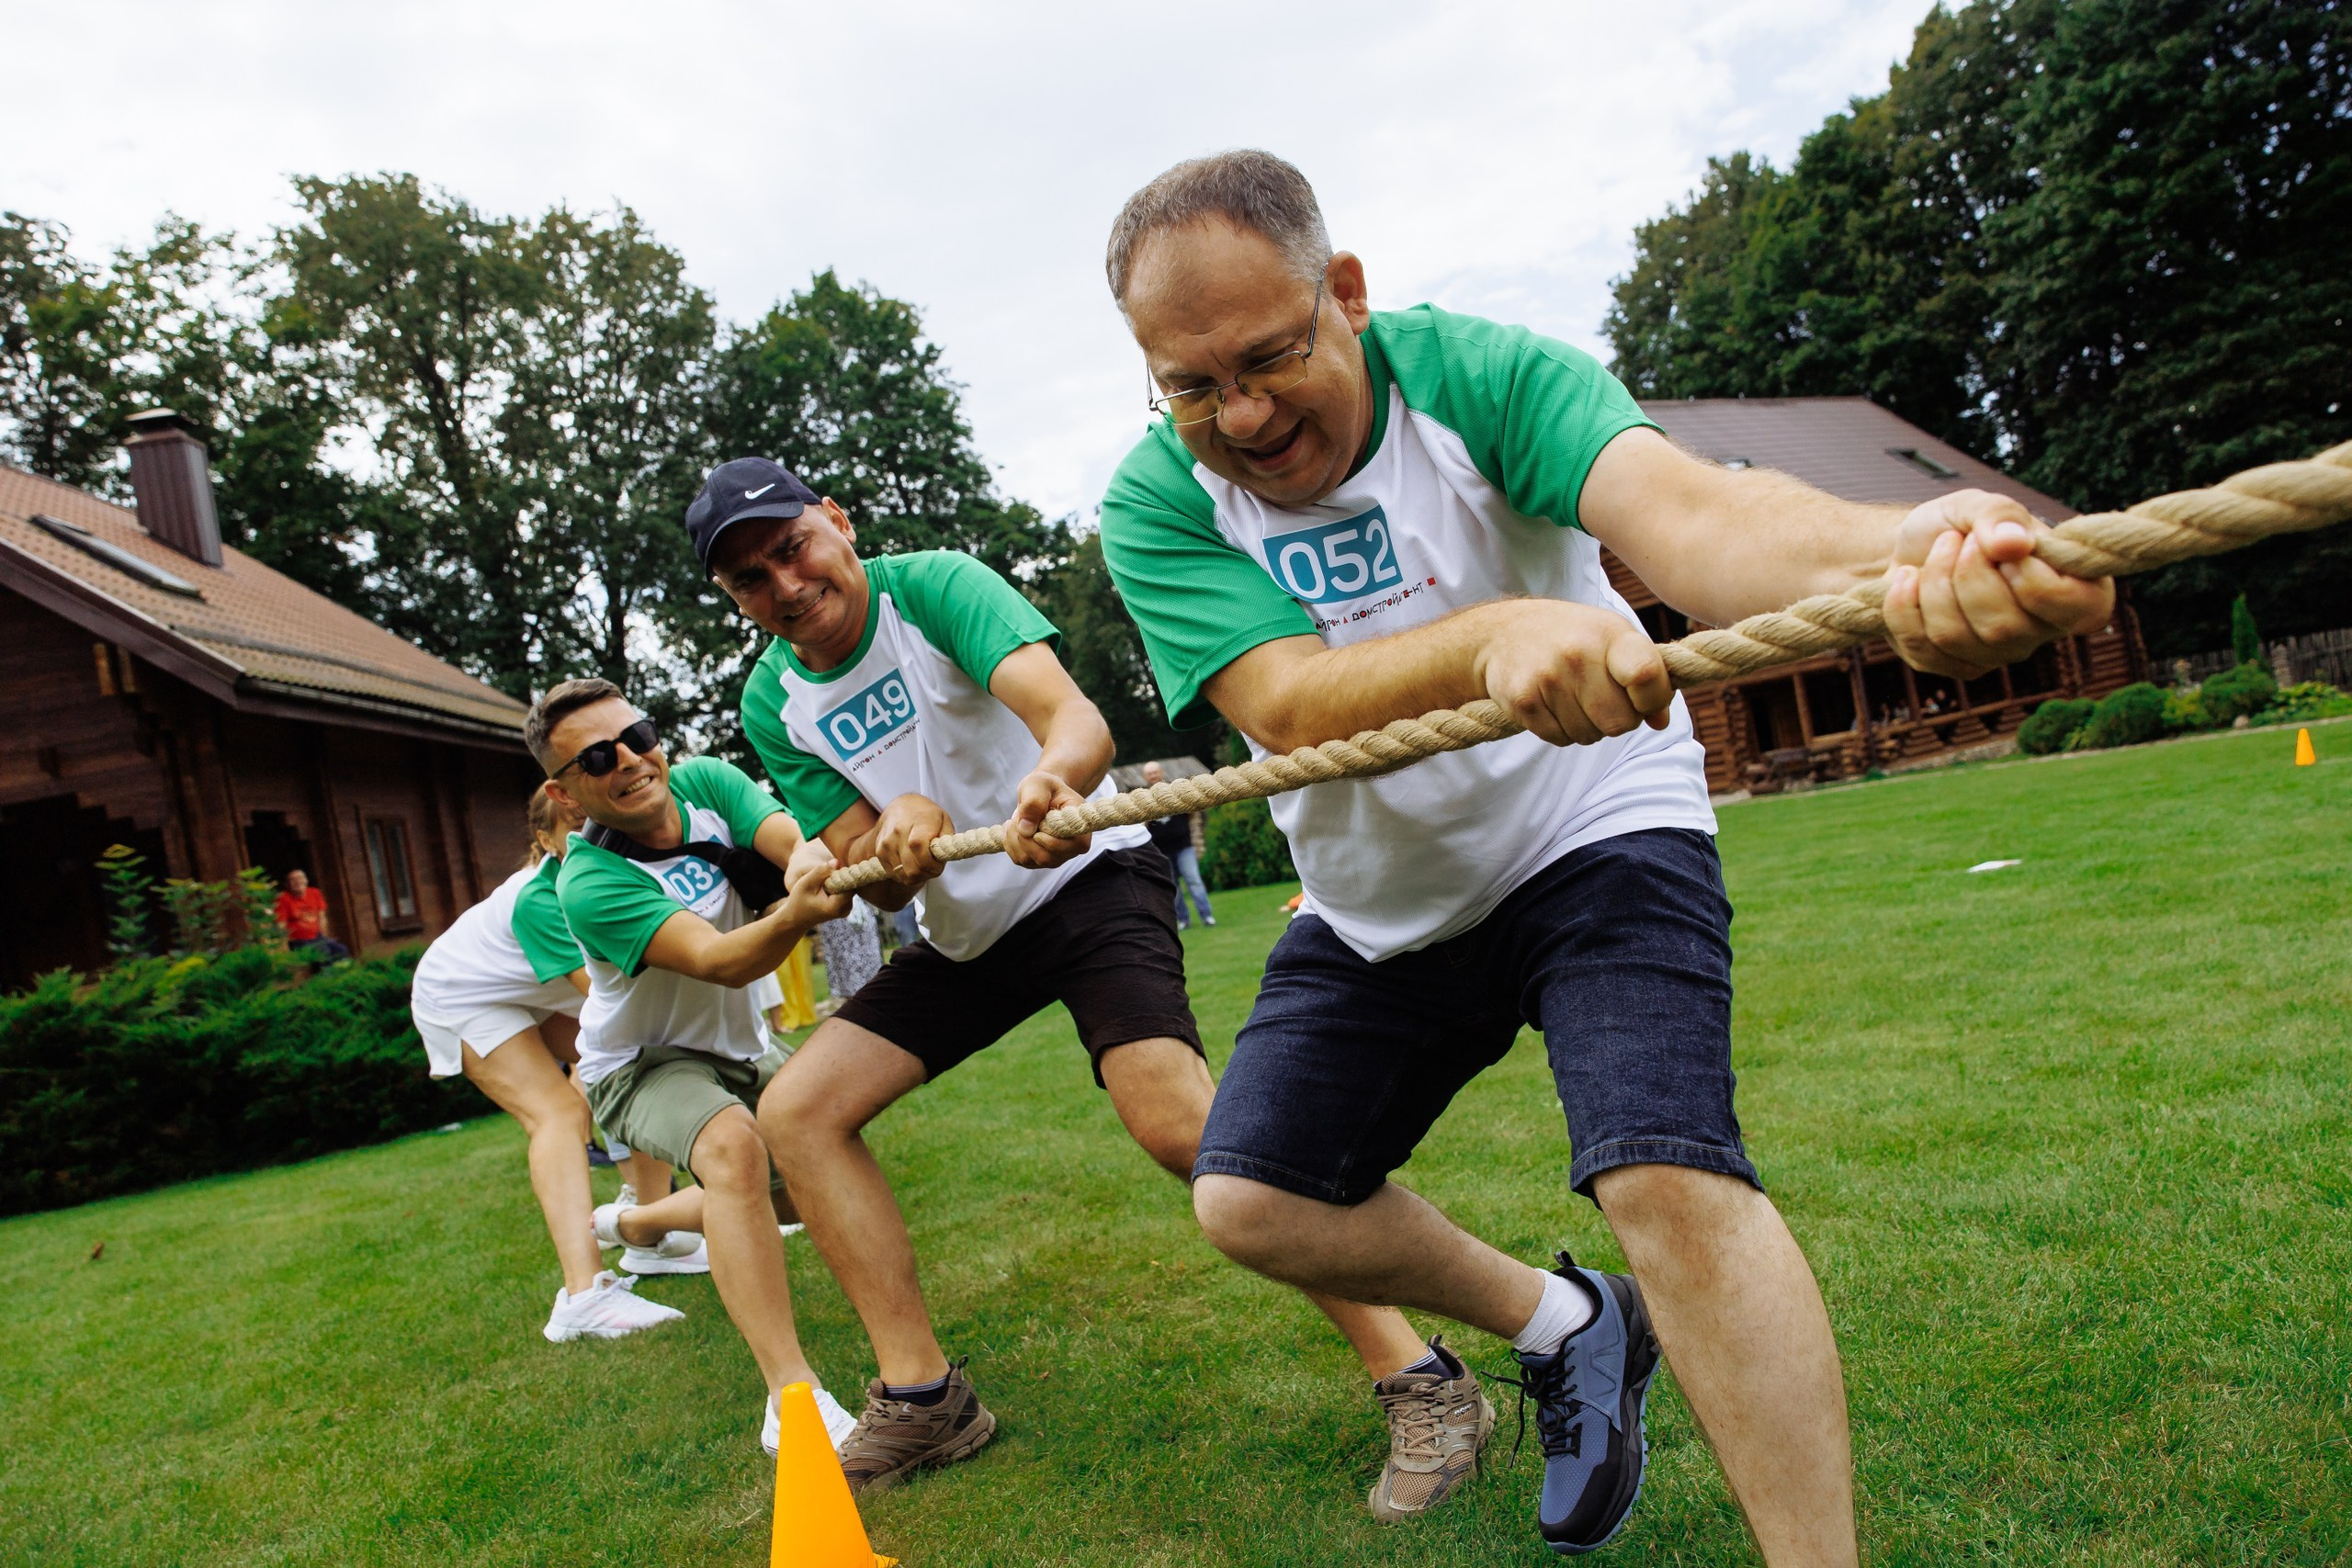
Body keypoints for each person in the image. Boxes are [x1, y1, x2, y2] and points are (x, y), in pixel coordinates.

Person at [1096, 151, 2114, 1562]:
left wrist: (1905, 549)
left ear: (1346, 294)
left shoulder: (1480, 376)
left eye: (1271, 358)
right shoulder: (1156, 501)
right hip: (1384, 904)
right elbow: (1282, 701)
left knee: (1661, 1173)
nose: (1245, 414)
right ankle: (1563, 1321)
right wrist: (1494, 633)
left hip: (1595, 820)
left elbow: (1696, 521)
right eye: (1193, 387)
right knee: (1250, 1194)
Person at [692, 457, 1453, 1511]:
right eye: (749, 578)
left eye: (791, 546)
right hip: (969, 933)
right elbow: (861, 847)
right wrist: (886, 836)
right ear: (732, 598)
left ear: (835, 520)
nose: (783, 583)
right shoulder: (772, 697)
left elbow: (1075, 722)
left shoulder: (935, 588)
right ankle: (924, 1398)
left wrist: (1052, 780)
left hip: (1087, 876)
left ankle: (1417, 1373)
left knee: (1180, 1125)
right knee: (799, 1109)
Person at [531, 677, 863, 1454]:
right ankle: (792, 1397)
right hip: (640, 1065)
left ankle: (637, 1223)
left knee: (812, 1182)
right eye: (599, 757)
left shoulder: (708, 781)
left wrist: (815, 867)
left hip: (742, 1048)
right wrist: (800, 911)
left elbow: (788, 839)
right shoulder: (588, 881)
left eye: (638, 734)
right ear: (566, 790)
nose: (632, 760)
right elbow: (718, 960)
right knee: (731, 1148)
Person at [410, 791, 695, 1341]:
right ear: (544, 841)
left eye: (600, 824)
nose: (591, 838)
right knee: (559, 1114)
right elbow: (612, 1001)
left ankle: (652, 1238)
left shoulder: (621, 877)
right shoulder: (543, 899)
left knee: (643, 1059)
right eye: (573, 828)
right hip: (464, 994)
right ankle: (584, 1295)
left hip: (527, 991)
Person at [1139, 761, 1215, 929]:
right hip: (1161, 851)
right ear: (1145, 777)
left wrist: (1197, 840)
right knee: (1172, 887)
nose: (1153, 776)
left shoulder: (1175, 791)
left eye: (1155, 772)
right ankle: (1183, 920)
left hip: (1184, 847)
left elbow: (1193, 815)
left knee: (1194, 881)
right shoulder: (1143, 798)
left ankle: (1207, 916)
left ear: (1161, 773)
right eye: (1149, 773)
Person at [273, 868, 348, 963]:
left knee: (341, 949)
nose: (298, 882)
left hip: (317, 937)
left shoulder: (315, 893)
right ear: (287, 884)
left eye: (300, 878)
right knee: (324, 951)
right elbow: (281, 925)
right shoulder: (283, 899)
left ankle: (341, 974)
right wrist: (284, 949)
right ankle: (325, 976)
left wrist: (324, 936)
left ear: (306, 880)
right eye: (293, 880)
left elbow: (322, 917)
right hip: (298, 941)